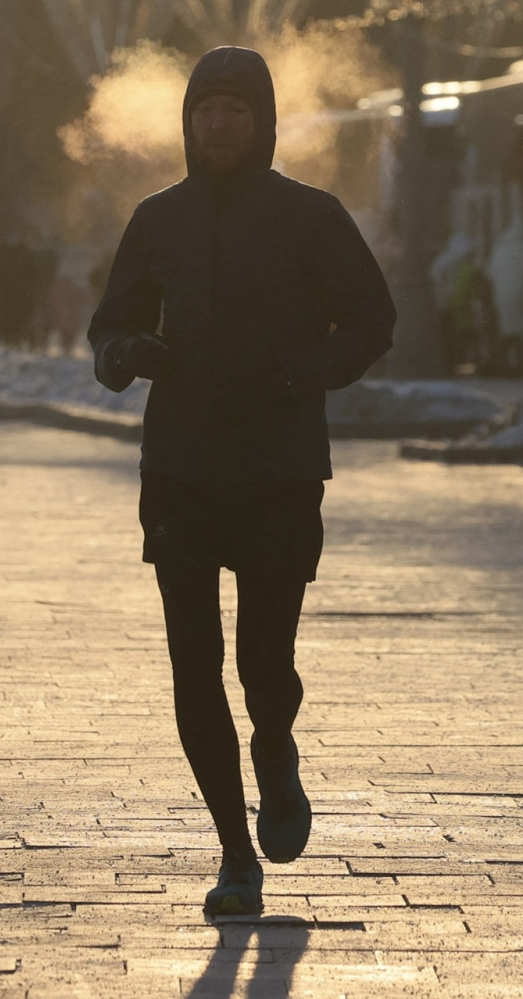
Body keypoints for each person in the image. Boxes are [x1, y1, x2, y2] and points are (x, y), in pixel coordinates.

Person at [87, 47, 396, 918]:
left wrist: (307, 370)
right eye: (204, 110)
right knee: (194, 662)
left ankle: (276, 746)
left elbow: (372, 318)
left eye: (235, 110)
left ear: (264, 122)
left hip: (277, 469)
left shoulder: (310, 216)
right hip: (181, 468)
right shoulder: (157, 219)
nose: (218, 125)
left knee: (266, 662)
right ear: (186, 123)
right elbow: (110, 323)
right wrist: (123, 354)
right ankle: (233, 852)